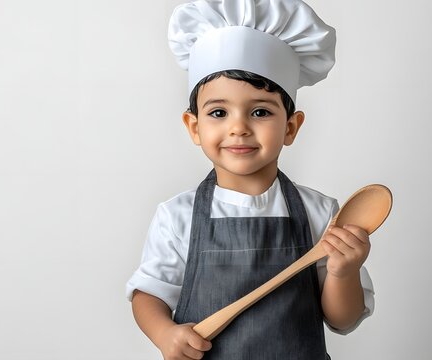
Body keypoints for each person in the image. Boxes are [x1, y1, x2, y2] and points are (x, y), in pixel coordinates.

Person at [126, 1, 375, 359]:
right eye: (218, 112)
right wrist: (164, 333)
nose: (238, 127)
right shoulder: (177, 216)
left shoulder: (321, 213)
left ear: (291, 127)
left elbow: (343, 319)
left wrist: (343, 270)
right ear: (194, 127)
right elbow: (148, 293)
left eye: (260, 111)